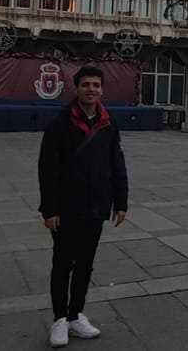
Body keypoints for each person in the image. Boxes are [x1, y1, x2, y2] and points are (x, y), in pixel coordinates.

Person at [38, 66, 128, 348]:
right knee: (63, 264)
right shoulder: (60, 122)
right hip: (66, 207)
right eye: (86, 85)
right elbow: (48, 168)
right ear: (76, 88)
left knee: (85, 265)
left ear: (102, 90)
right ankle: (59, 319)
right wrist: (49, 209)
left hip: (96, 206)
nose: (91, 89)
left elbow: (117, 165)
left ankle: (76, 314)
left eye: (96, 85)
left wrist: (121, 202)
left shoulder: (108, 123)